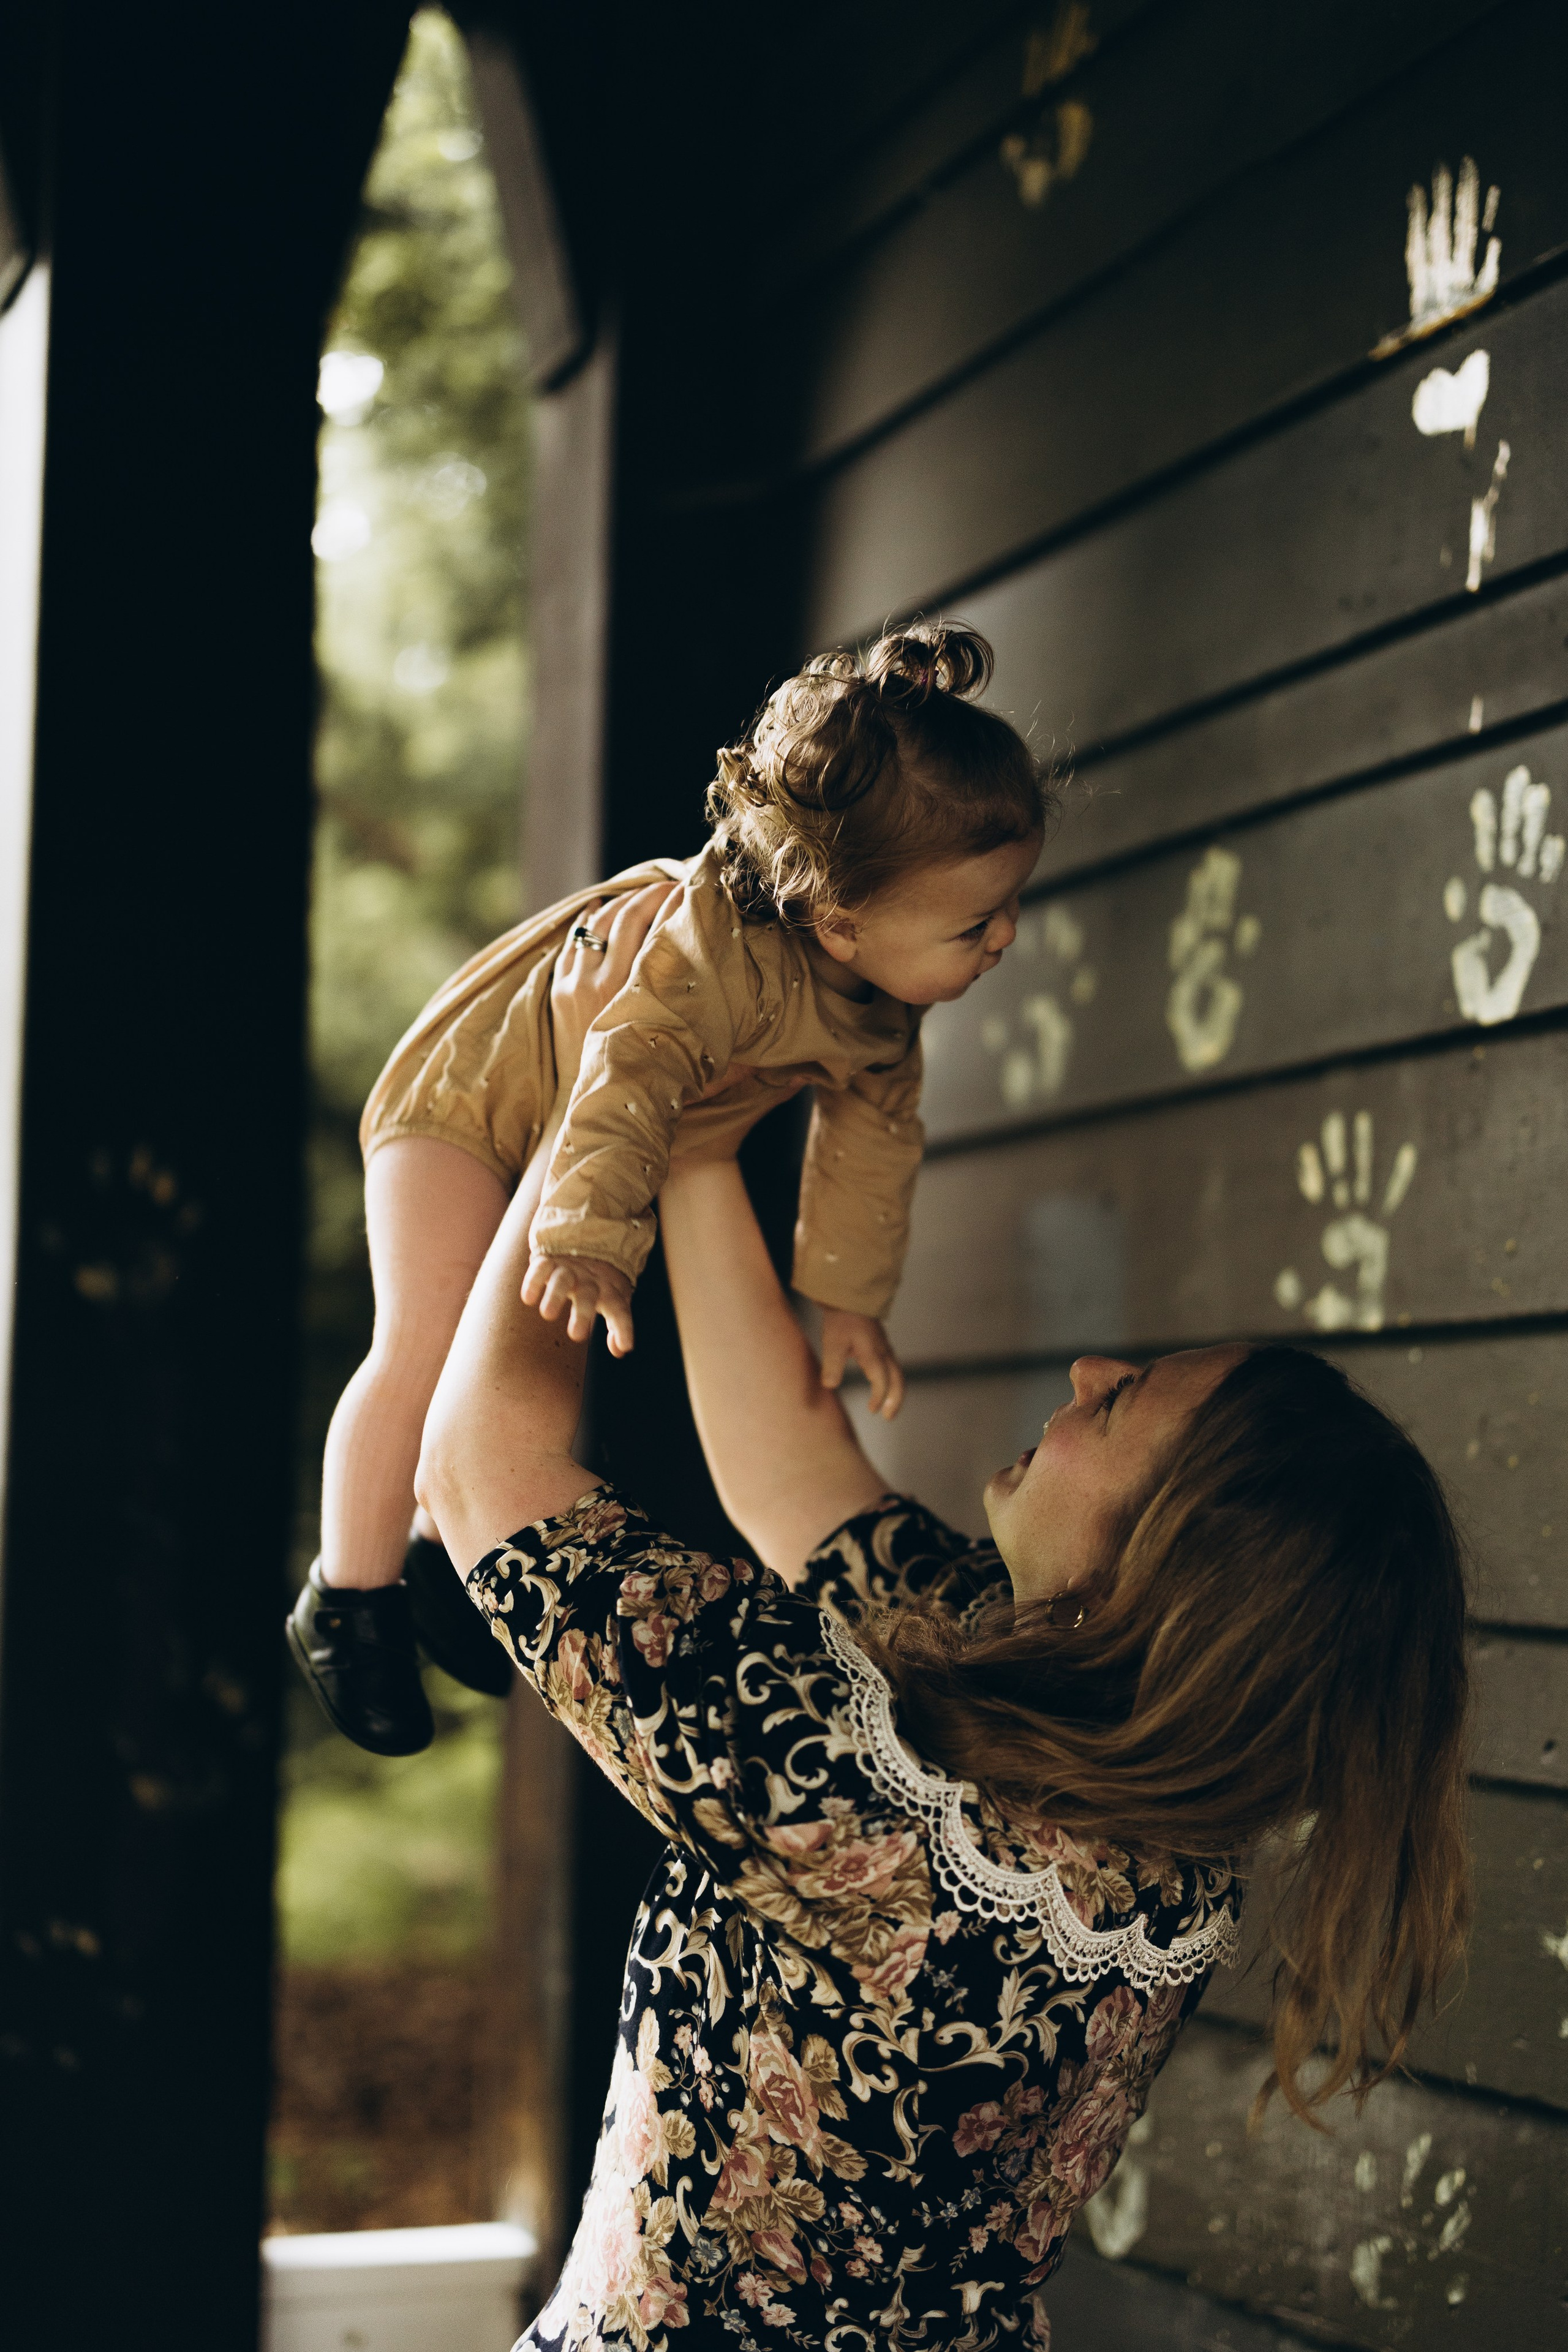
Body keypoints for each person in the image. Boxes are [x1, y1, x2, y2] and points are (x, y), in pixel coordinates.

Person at [412, 904, 1472, 2352]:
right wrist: (698, 1141)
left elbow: (484, 1475)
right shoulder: (1122, 1786)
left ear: (1158, 1568)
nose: (1090, 1366)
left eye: (1120, 1404)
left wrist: (597, 1108)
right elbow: (797, 1482)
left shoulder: (888, 1807)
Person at [288, 621, 1049, 1756]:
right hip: (465, 1100)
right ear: (840, 919)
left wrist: (845, 1300)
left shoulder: (883, 1010)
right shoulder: (707, 949)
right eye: (974, 923)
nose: (1003, 939)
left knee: (526, 1348)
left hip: (591, 1125)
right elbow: (628, 1065)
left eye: (1009, 907)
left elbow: (873, 1134)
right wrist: (591, 1229)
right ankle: (347, 1602)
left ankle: (443, 1556)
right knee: (428, 1341)